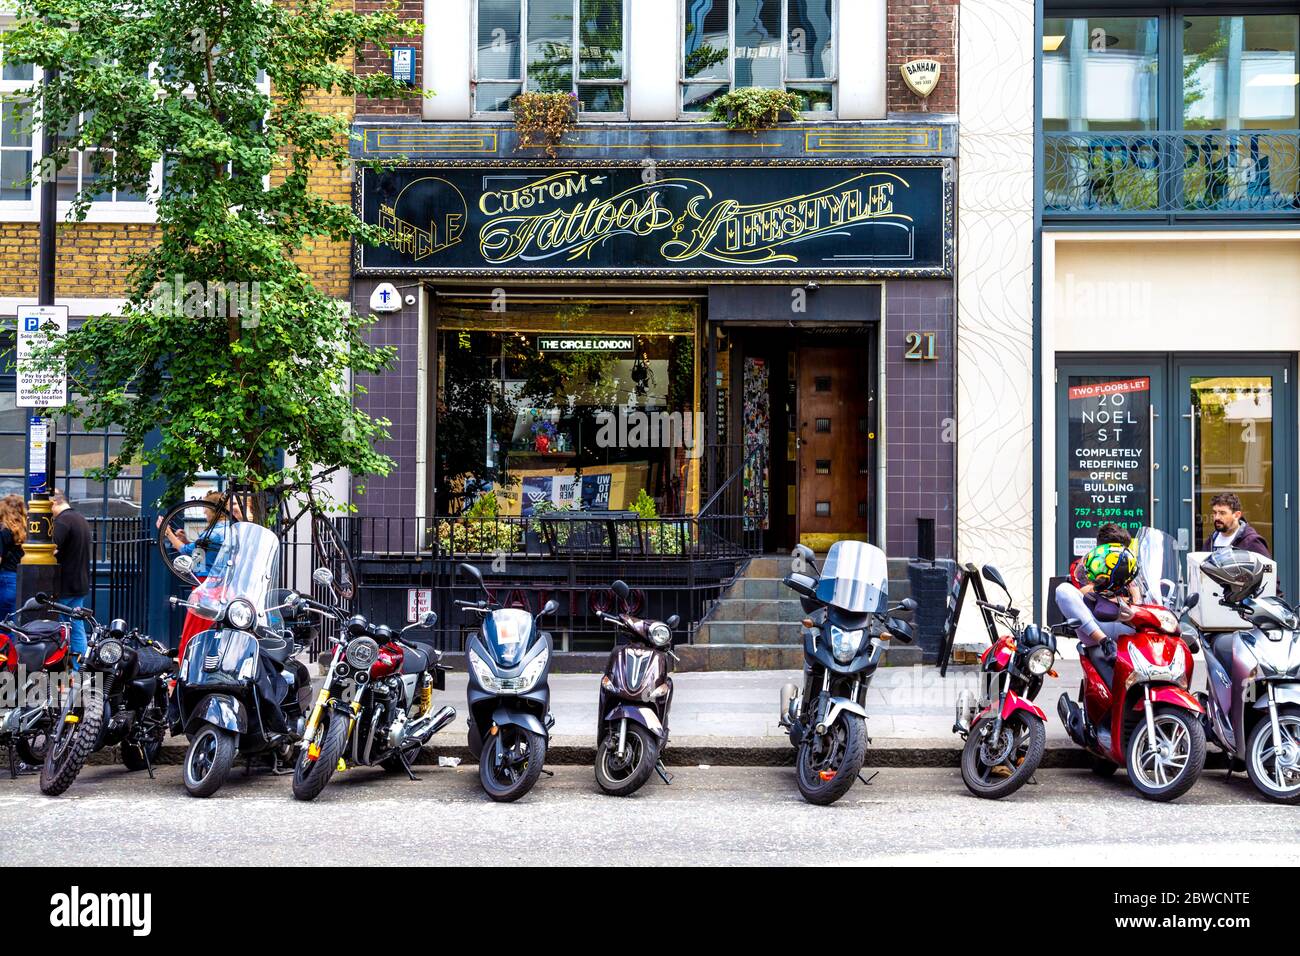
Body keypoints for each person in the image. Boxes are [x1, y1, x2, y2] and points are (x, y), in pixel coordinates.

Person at [51, 488, 93, 664]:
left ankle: (71, 667)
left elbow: (50, 550)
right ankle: (80, 669)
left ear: (53, 503)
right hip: (79, 582)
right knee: (77, 628)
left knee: (63, 629)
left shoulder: (62, 521)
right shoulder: (79, 518)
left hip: (65, 585)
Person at [1202, 492, 1271, 557]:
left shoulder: (1251, 542)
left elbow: (1268, 568)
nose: (1217, 517)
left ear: (1237, 515)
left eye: (1222, 513)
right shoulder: (1210, 541)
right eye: (1214, 512)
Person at [0, 493, 26, 618]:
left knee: (4, 621)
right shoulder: (28, 529)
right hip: (23, 576)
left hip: (5, 576)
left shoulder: (3, 530)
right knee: (15, 619)